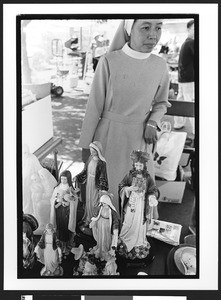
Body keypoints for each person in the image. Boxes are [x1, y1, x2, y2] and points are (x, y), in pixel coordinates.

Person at [79, 19, 171, 212]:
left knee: (137, 195)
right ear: (129, 30)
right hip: (108, 138)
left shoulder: (161, 66)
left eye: (158, 27)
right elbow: (94, 106)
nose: (153, 34)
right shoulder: (108, 61)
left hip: (140, 140)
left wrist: (153, 122)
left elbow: (162, 103)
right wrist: (85, 145)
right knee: (108, 191)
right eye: (146, 27)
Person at [117, 150, 159, 260]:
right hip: (131, 202)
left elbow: (152, 189)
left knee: (140, 223)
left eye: (140, 165)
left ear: (144, 165)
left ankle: (138, 242)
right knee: (128, 221)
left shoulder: (148, 177)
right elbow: (121, 185)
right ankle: (125, 239)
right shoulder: (130, 175)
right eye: (136, 165)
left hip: (142, 204)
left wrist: (151, 197)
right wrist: (128, 189)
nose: (138, 167)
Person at [74, 141, 108, 228]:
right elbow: (85, 171)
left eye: (94, 151)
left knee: (94, 203)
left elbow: (102, 176)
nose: (92, 153)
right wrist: (77, 177)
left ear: (98, 151)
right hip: (88, 183)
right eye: (91, 150)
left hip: (95, 186)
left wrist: (101, 189)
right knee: (88, 202)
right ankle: (87, 219)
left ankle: (94, 221)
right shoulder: (89, 159)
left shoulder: (101, 162)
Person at [50, 170, 79, 257]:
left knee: (66, 228)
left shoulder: (70, 189)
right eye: (61, 179)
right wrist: (57, 200)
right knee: (60, 226)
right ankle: (59, 245)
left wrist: (69, 202)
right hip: (59, 211)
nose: (63, 181)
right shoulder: (57, 188)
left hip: (67, 212)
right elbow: (52, 199)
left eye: (65, 179)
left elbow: (75, 200)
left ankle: (66, 246)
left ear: (68, 179)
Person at [174, 19, 195, 135]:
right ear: (188, 30)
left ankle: (178, 123)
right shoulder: (191, 43)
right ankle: (196, 128)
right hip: (189, 79)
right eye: (194, 28)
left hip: (182, 78)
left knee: (181, 100)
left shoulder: (186, 42)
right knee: (191, 103)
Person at [89, 192, 119, 261]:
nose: (103, 204)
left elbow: (115, 221)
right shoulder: (100, 208)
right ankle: (100, 248)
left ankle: (105, 250)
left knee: (106, 238)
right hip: (100, 224)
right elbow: (96, 215)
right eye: (102, 203)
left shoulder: (111, 211)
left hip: (107, 226)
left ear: (108, 202)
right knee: (100, 237)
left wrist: (115, 229)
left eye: (104, 203)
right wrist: (94, 221)